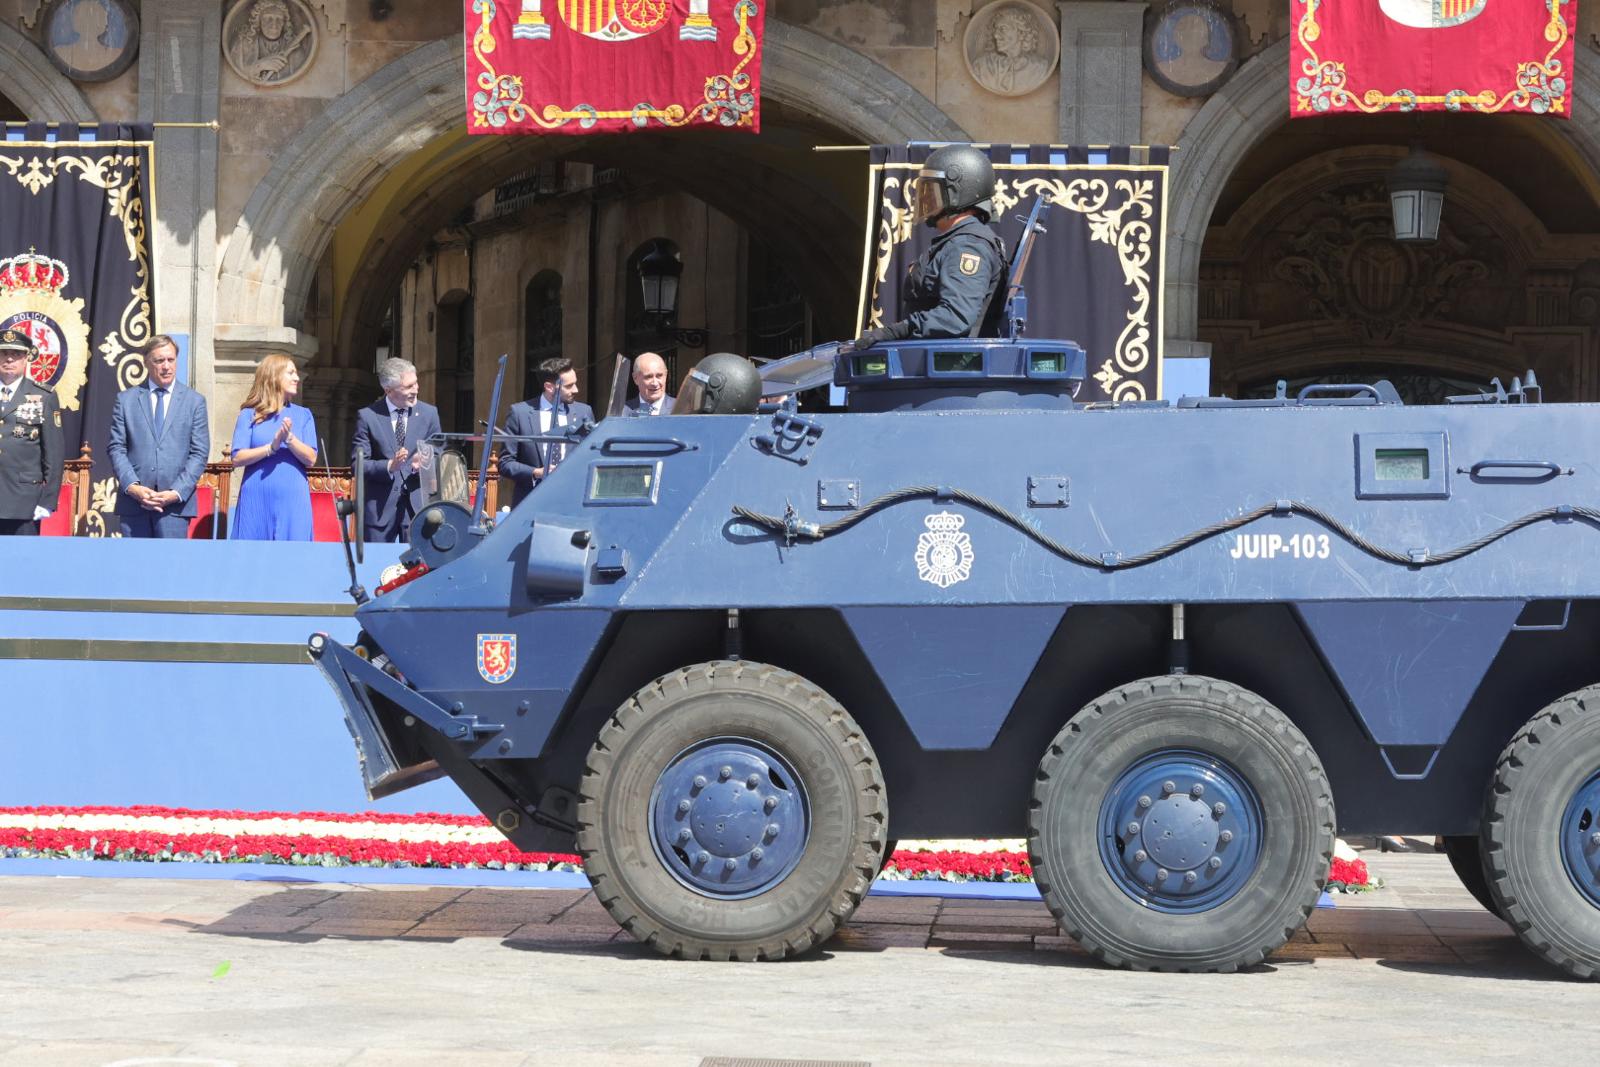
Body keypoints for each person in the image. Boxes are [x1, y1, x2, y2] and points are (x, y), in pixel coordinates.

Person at [853, 144, 1007, 348]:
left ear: (956, 193)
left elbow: (956, 317)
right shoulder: (957, 241)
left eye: (932, 190)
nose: (925, 198)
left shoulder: (968, 247)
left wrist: (897, 331)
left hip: (950, 369)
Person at [106, 335, 211, 538]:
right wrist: (133, 487)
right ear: (146, 362)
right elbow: (116, 447)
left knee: (171, 568)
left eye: (170, 360)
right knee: (134, 568)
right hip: (135, 505)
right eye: (159, 361)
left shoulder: (194, 402)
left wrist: (176, 492)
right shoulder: (126, 400)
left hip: (175, 507)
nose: (166, 366)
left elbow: (199, 453)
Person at [351, 357, 441, 542]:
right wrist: (389, 466)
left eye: (416, 383)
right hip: (380, 511)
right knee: (377, 568)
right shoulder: (368, 416)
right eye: (408, 387)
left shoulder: (429, 414)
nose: (415, 390)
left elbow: (438, 449)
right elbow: (358, 465)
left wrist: (424, 459)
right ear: (388, 390)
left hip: (418, 509)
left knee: (419, 569)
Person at [230, 353, 317, 540]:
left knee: (293, 559)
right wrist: (271, 447)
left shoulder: (304, 415)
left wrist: (290, 439)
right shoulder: (248, 415)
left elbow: (311, 458)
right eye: (291, 373)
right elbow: (237, 457)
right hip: (256, 496)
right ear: (274, 376)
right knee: (253, 558)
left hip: (293, 498)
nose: (297, 378)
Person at [500, 356, 595, 509]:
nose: (576, 390)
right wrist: (536, 472)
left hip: (572, 502)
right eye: (569, 386)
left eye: (575, 384)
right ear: (549, 387)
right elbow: (505, 463)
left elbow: (591, 456)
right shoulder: (520, 413)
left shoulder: (584, 412)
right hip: (531, 503)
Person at [0, 330, 62, 536]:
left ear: (27, 358)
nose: (9, 359)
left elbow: (54, 453)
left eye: (16, 354)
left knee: (20, 563)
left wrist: (48, 501)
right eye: (3, 353)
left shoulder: (43, 395)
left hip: (23, 501)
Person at [625, 351, 675, 416]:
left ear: (666, 376)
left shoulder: (681, 409)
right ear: (635, 378)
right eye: (648, 377)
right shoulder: (622, 412)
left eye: (659, 376)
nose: (655, 383)